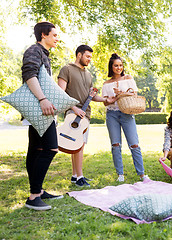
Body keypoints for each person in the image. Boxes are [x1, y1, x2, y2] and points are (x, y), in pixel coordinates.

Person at [58, 45, 116, 187]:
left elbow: (91, 96)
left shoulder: (88, 74)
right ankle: (80, 177)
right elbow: (60, 92)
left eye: (91, 57)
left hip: (86, 114)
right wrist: (74, 108)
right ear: (79, 55)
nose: (90, 59)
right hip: (73, 113)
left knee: (76, 143)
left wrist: (106, 100)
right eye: (87, 56)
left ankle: (74, 175)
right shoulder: (67, 69)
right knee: (78, 145)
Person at [22, 22, 63, 210]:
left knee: (36, 150)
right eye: (54, 35)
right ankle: (33, 197)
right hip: (39, 107)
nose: (57, 38)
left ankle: (37, 191)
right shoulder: (34, 50)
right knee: (51, 148)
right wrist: (43, 99)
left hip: (41, 108)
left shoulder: (44, 54)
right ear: (44, 35)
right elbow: (30, 75)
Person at [101, 53, 149, 182]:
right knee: (115, 145)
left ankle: (142, 174)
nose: (119, 68)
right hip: (112, 114)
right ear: (111, 67)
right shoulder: (106, 83)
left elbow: (134, 94)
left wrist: (121, 93)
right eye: (116, 65)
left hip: (127, 113)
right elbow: (105, 102)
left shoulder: (128, 78)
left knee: (134, 144)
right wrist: (115, 97)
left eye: (121, 65)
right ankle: (120, 174)